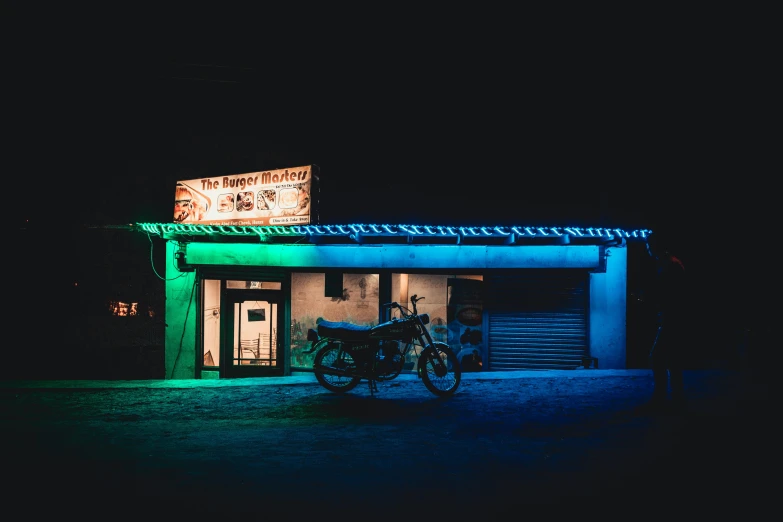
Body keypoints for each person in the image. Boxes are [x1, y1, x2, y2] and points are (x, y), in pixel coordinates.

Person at [644, 231, 688, 411]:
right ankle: (675, 398)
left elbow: (671, 294)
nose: (647, 248)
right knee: (672, 358)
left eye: (649, 245)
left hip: (672, 318)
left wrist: (652, 299)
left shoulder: (670, 265)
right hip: (672, 317)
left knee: (658, 357)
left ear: (656, 246)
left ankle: (661, 398)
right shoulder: (669, 264)